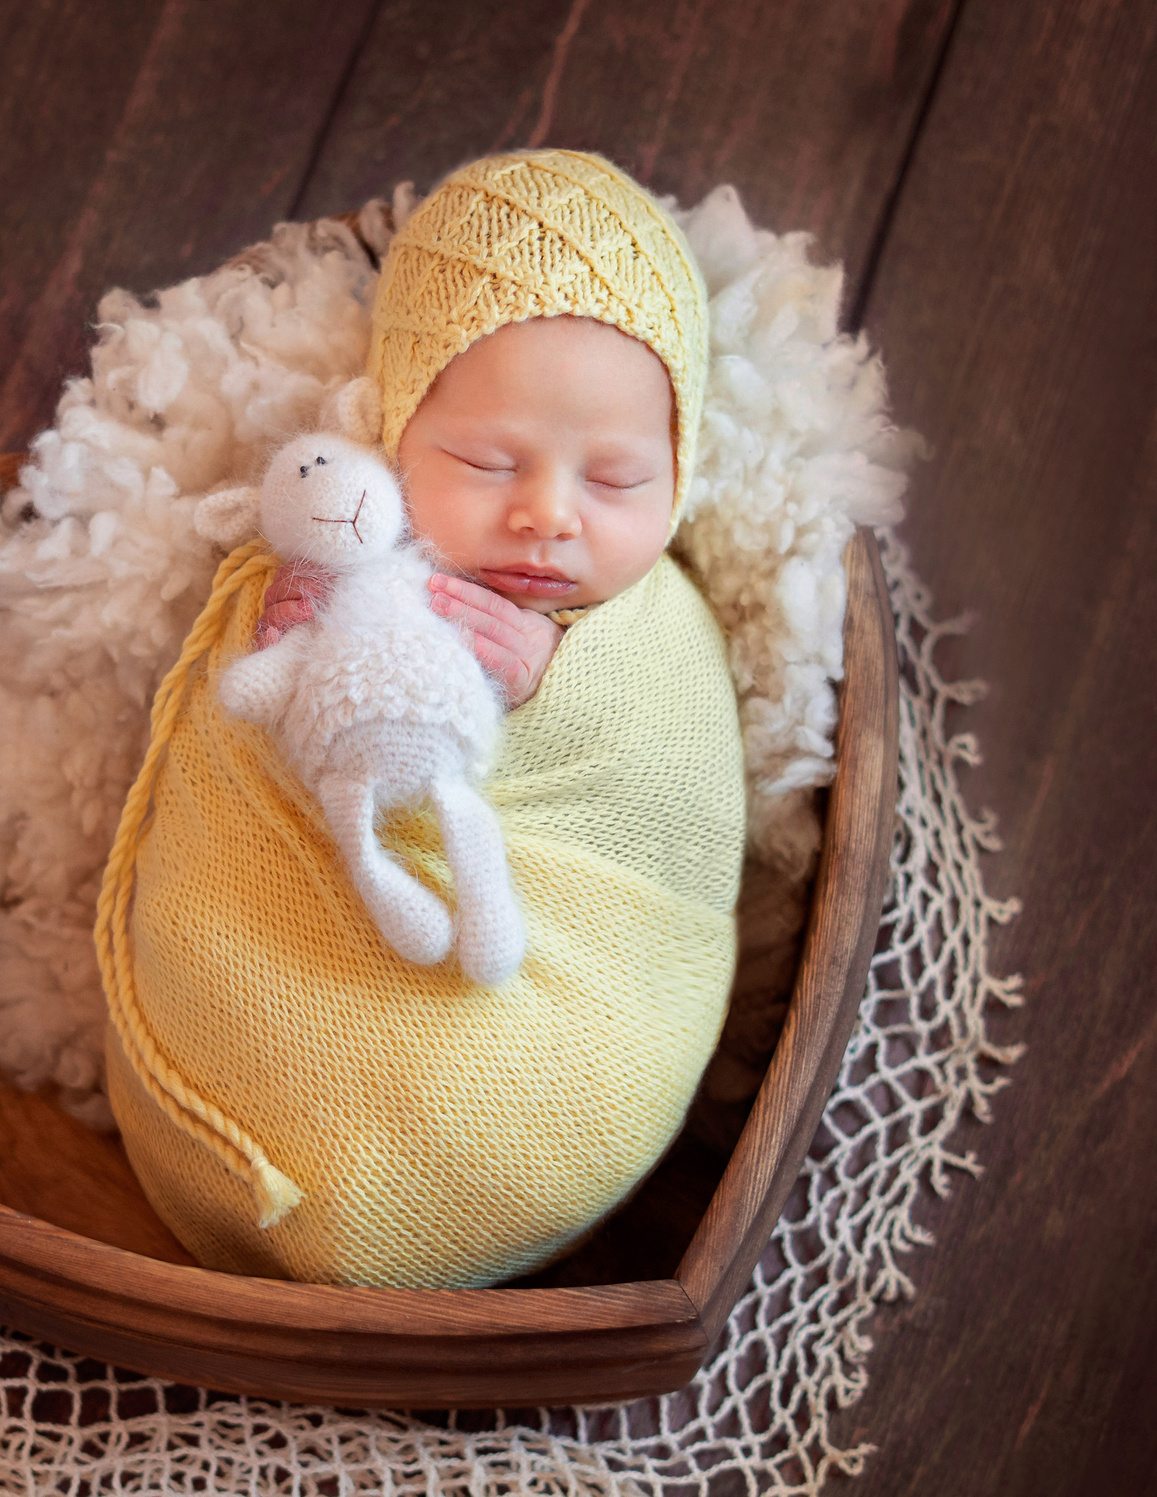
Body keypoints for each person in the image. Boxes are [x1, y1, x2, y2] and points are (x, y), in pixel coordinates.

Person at [96, 150, 747, 1288]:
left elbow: (677, 794)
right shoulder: (343, 544)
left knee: (549, 1113)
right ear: (395, 429)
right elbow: (229, 740)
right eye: (488, 461)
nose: (547, 515)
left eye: (616, 480)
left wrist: (556, 691)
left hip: (549, 1046)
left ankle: (421, 1204)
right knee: (223, 940)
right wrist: (290, 646)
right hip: (277, 993)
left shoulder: (659, 626)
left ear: (680, 473)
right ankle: (273, 1177)